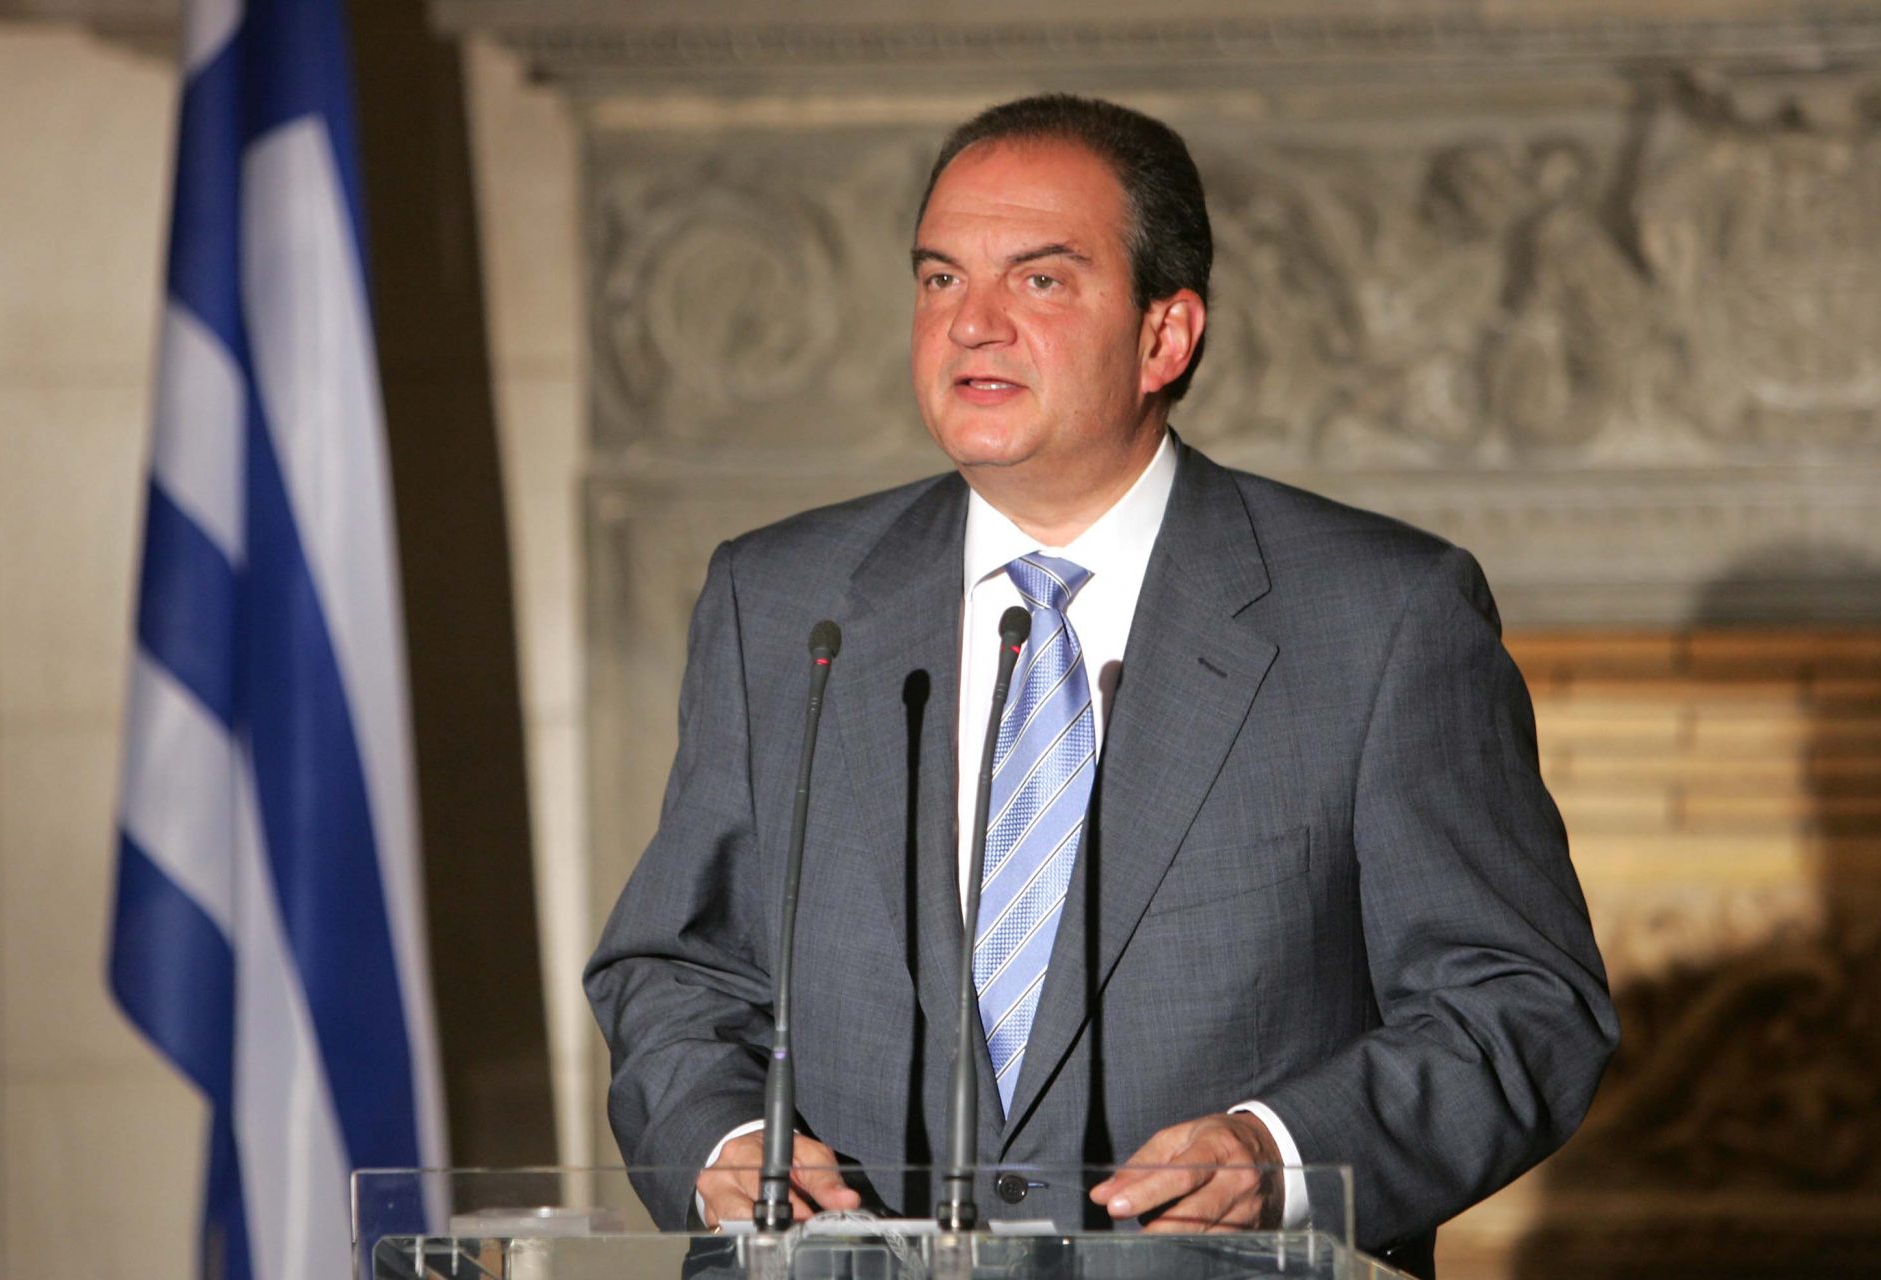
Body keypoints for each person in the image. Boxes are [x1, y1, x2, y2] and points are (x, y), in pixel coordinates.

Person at [585, 94, 1617, 1271]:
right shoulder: (778, 602)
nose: (971, 323)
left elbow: (1521, 1004)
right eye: (939, 279)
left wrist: (1280, 1152)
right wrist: (725, 1140)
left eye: (1039, 280)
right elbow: (677, 965)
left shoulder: (1383, 616)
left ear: (1165, 336)